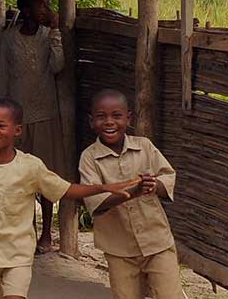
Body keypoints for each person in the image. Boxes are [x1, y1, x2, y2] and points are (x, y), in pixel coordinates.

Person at [0, 98, 139, 299]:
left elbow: (66, 190)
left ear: (17, 130)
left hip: (18, 255)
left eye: (0, 125)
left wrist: (102, 187)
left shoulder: (31, 166)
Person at [79, 90, 184, 299]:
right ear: (91, 121)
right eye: (101, 117)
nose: (109, 122)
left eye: (116, 116)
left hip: (157, 241)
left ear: (129, 118)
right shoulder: (89, 158)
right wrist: (132, 192)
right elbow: (95, 201)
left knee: (170, 294)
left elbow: (168, 177)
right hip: (119, 249)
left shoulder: (144, 147)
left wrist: (154, 186)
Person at [0, 0, 71, 253]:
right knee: (19, 177)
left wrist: (55, 33)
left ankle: (46, 234)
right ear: (26, 12)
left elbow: (57, 66)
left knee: (45, 174)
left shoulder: (48, 36)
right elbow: (3, 78)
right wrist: (2, 114)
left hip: (44, 114)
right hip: (18, 117)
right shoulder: (8, 39)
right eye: (41, 6)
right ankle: (26, 231)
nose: (46, 10)